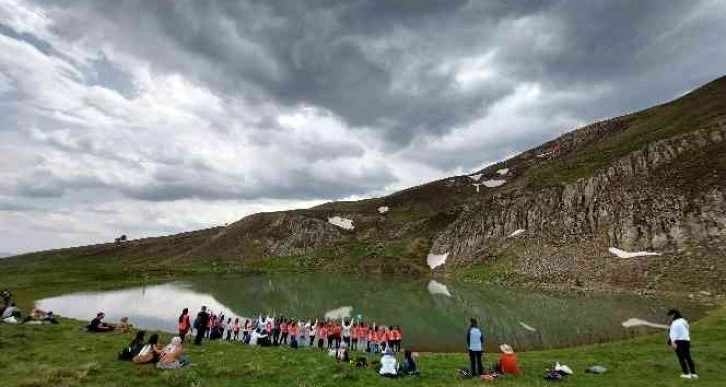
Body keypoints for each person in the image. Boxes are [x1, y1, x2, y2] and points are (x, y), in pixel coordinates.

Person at [668, 309, 697, 379]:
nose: (670, 317)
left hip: (679, 341)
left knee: (681, 358)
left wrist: (672, 342)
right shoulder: (684, 321)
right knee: (688, 357)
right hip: (686, 341)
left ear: (674, 315)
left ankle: (686, 373)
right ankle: (693, 373)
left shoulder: (675, 323)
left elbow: (673, 333)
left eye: (670, 316)